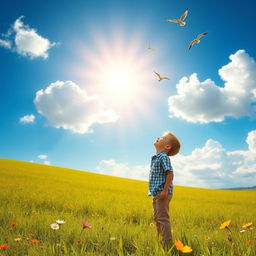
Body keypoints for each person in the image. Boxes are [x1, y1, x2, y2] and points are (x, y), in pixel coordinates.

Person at [148, 131, 180, 249]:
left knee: (162, 218)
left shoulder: (163, 157)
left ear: (167, 146)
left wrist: (165, 191)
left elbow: (170, 174)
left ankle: (167, 244)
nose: (158, 137)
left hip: (163, 193)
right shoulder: (156, 158)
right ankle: (160, 240)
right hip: (156, 193)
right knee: (156, 218)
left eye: (161, 137)